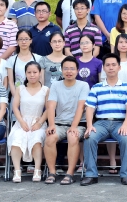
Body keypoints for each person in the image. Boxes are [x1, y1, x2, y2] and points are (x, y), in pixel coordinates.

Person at [81, 53, 127, 186]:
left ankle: (126, 174)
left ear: (119, 67)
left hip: (120, 123)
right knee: (89, 138)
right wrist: (89, 125)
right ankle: (91, 174)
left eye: (113, 65)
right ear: (104, 68)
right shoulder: (97, 87)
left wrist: (125, 124)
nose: (111, 67)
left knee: (126, 139)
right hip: (101, 123)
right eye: (108, 65)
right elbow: (90, 108)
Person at [43, 56, 89, 185]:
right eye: (66, 68)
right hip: (59, 123)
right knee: (50, 138)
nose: (69, 71)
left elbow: (81, 107)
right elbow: (51, 106)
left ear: (77, 71)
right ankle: (52, 172)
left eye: (72, 69)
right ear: (61, 70)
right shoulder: (55, 85)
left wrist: (73, 126)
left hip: (78, 124)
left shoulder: (83, 85)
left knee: (72, 137)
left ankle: (70, 173)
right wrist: (51, 124)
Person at [8, 62, 49, 182]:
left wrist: (39, 123)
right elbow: (15, 107)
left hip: (38, 122)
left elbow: (48, 109)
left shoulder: (45, 90)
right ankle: (17, 170)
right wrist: (21, 121)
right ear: (25, 74)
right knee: (16, 137)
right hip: (22, 122)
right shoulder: (20, 89)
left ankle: (37, 169)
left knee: (37, 138)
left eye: (35, 72)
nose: (32, 75)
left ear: (40, 73)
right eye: (29, 72)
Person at [6, 30, 42, 98]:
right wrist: (16, 97)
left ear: (31, 40)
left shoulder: (39, 58)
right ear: (17, 41)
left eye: (26, 39)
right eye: (21, 39)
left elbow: (41, 79)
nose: (24, 42)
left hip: (35, 97)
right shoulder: (11, 60)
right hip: (16, 96)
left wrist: (37, 96)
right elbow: (11, 82)